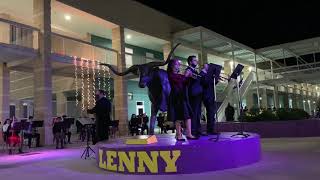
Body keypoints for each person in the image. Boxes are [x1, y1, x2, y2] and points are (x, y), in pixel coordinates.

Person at [167, 59, 197, 141]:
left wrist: (190, 77)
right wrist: (186, 75)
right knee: (178, 117)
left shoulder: (179, 75)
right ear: (172, 66)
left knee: (188, 116)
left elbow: (185, 83)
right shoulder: (170, 75)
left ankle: (189, 134)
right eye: (177, 64)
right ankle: (179, 135)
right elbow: (179, 81)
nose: (179, 65)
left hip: (182, 96)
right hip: (176, 97)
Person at [185, 55, 203, 137]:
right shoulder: (188, 70)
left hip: (198, 95)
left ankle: (198, 130)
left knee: (198, 113)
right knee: (194, 113)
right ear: (190, 62)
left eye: (196, 60)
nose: (196, 62)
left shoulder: (195, 71)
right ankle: (193, 131)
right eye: (195, 60)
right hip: (192, 95)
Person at [200, 63, 218, 135]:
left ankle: (211, 129)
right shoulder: (202, 73)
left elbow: (211, 84)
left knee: (211, 113)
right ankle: (210, 130)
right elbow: (204, 83)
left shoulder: (208, 75)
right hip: (206, 96)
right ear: (204, 67)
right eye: (208, 67)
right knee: (210, 113)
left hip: (211, 95)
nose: (209, 68)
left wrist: (215, 80)